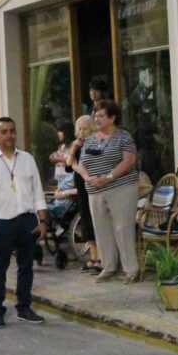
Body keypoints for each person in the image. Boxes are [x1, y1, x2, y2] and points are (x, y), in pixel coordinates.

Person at [0, 117, 48, 328]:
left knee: (26, 267)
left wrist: (42, 220)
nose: (9, 135)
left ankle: (24, 307)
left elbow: (38, 192)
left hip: (27, 221)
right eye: (4, 131)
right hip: (1, 223)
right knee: (0, 267)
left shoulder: (27, 159)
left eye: (12, 131)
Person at [71, 101, 140, 283]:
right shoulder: (91, 138)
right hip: (94, 190)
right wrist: (87, 177)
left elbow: (129, 160)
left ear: (112, 118)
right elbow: (82, 162)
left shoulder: (123, 137)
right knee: (101, 229)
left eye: (101, 116)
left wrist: (108, 177)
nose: (97, 119)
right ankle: (108, 266)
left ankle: (131, 269)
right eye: (96, 116)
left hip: (121, 187)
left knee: (122, 228)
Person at [67, 115, 100, 273]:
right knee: (86, 222)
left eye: (85, 128)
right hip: (81, 188)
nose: (81, 132)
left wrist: (75, 165)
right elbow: (68, 165)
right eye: (79, 128)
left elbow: (81, 165)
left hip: (92, 187)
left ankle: (100, 257)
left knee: (95, 222)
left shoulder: (94, 144)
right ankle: (93, 257)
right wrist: (73, 149)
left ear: (92, 129)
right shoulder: (78, 146)